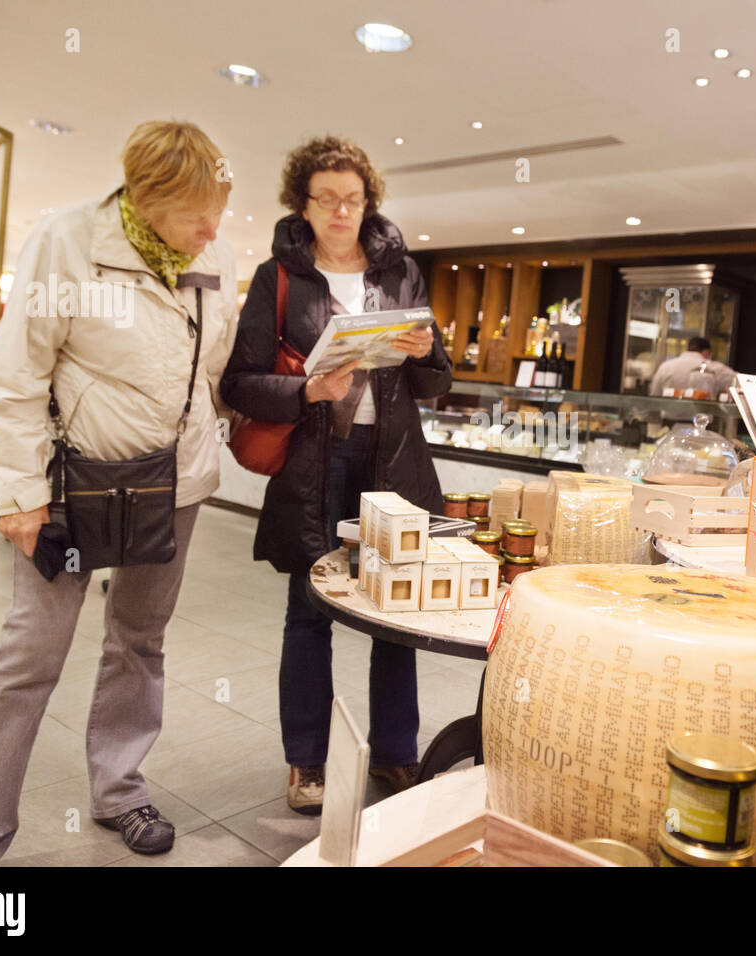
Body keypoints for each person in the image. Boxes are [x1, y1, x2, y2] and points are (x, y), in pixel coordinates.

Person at [0, 121, 239, 864]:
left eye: (219, 208)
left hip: (174, 485)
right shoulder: (67, 241)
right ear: (147, 197)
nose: (213, 228)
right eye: (197, 212)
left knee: (140, 641)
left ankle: (119, 790)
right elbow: (15, 377)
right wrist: (21, 493)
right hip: (69, 489)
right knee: (30, 655)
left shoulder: (212, 253)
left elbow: (213, 373)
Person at [221, 136, 451, 816]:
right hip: (317, 460)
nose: (341, 212)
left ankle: (396, 755)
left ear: (368, 203)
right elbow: (241, 381)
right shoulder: (279, 277)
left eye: (352, 200)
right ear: (304, 204)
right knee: (307, 613)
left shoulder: (401, 271)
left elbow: (435, 383)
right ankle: (307, 763)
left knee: (395, 615)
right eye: (326, 200)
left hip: (392, 462)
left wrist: (428, 348)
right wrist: (308, 393)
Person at [648, 336, 737, 398]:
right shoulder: (715, 368)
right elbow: (742, 383)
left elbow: (654, 395)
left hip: (668, 424)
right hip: (702, 423)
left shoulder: (665, 367)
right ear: (706, 352)